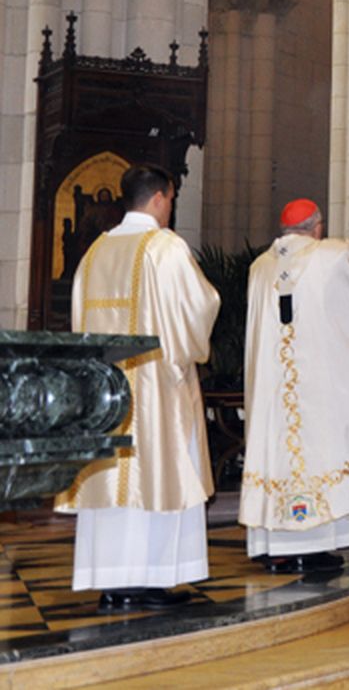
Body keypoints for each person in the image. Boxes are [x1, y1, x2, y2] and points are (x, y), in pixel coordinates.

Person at [56, 165, 220, 611]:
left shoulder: (94, 252)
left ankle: (112, 583)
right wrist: (187, 354)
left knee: (111, 484)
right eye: (171, 199)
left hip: (104, 397)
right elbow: (200, 306)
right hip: (154, 394)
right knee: (158, 480)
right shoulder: (165, 247)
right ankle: (149, 581)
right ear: (160, 198)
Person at [240, 183, 349, 574]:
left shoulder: (260, 268)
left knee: (278, 454)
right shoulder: (329, 256)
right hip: (317, 393)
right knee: (319, 452)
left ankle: (276, 546)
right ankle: (313, 545)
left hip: (273, 395)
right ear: (317, 227)